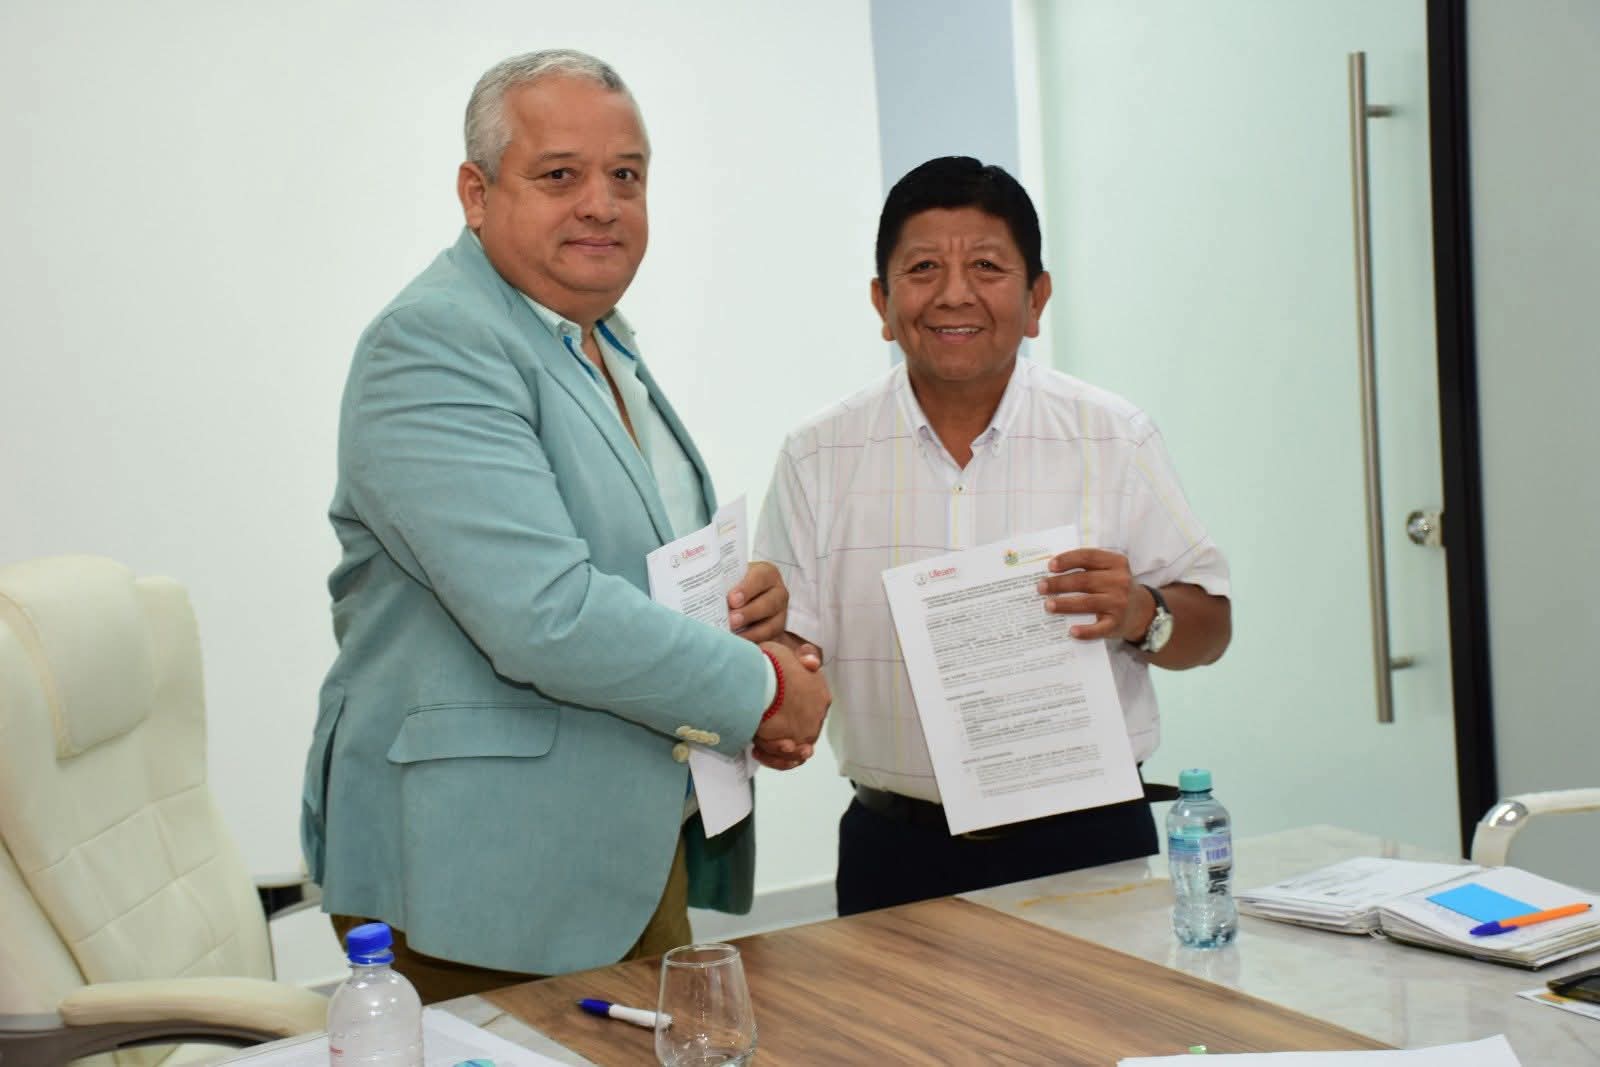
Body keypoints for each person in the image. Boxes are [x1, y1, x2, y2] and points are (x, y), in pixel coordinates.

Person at [299, 49, 829, 1001]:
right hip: (485, 871)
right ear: (476, 193)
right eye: (559, 175)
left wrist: (742, 615)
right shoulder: (434, 343)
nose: (601, 204)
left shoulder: (595, 335)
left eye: (626, 175)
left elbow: (626, 568)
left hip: (621, 845)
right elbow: (545, 611)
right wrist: (760, 688)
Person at [753, 156, 1231, 916]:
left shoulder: (1113, 436)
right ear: (882, 302)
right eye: (922, 268)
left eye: (986, 266)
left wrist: (1143, 611)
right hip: (896, 850)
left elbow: (1211, 629)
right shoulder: (818, 453)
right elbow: (791, 643)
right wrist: (771, 696)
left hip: (1085, 844)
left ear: (1036, 298)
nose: (954, 293)